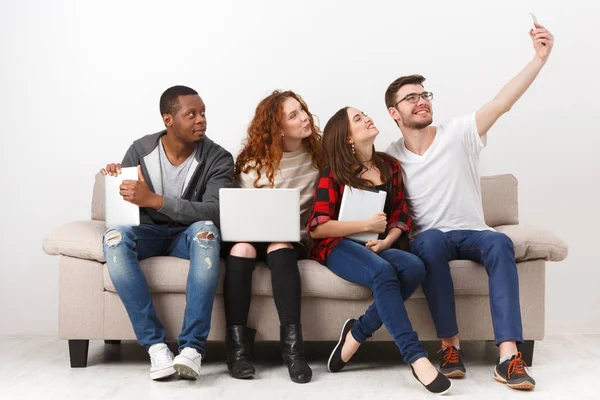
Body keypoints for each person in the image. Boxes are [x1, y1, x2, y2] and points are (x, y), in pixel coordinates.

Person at [383, 24, 554, 390]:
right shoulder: (390, 157)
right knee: (426, 242)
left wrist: (538, 60)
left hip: (475, 232)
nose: (421, 100)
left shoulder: (460, 132)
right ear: (393, 113)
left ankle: (509, 357)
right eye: (410, 98)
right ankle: (450, 348)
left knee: (501, 242)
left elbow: (502, 102)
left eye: (424, 94)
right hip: (433, 239)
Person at [307, 106, 452, 395]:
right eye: (358, 119)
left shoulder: (390, 166)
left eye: (364, 114)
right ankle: (416, 357)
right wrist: (364, 223)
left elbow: (400, 215)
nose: (368, 118)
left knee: (414, 266)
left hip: (376, 245)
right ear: (347, 137)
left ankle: (357, 333)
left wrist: (386, 241)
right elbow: (317, 228)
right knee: (383, 272)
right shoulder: (332, 173)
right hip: (337, 246)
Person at [100, 85, 234, 380]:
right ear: (168, 120)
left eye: (203, 113)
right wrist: (116, 178)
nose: (201, 120)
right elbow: (125, 208)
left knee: (207, 232)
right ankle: (156, 346)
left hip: (188, 237)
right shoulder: (140, 150)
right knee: (113, 238)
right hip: (148, 233)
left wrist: (156, 201)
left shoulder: (219, 158)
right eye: (191, 114)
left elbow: (215, 210)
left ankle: (192, 349)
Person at [222, 90, 324, 383]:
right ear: (277, 128)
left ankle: (294, 352)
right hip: (251, 235)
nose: (305, 117)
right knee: (241, 249)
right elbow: (239, 212)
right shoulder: (252, 164)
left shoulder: (318, 159)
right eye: (294, 115)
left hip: (293, 238)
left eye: (302, 110)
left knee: (280, 245)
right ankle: (237, 349)